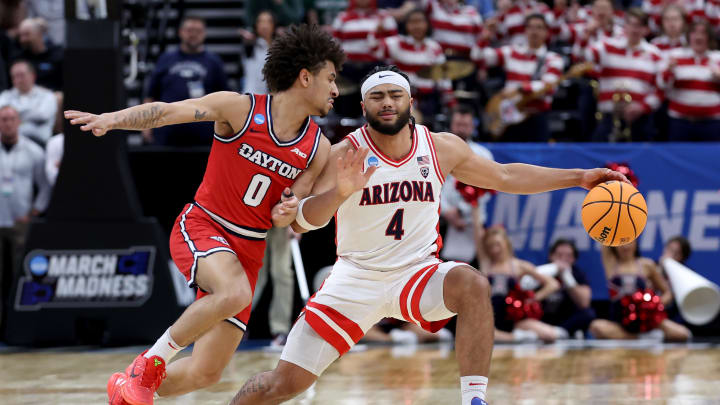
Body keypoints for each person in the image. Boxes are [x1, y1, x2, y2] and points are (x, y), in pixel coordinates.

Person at [226, 65, 629, 405]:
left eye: (396, 95)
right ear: (363, 105)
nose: (387, 103)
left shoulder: (440, 147)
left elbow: (506, 176)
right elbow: (301, 222)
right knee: (283, 385)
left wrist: (579, 177)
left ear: (410, 102)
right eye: (378, 96)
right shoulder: (341, 153)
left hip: (416, 274)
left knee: (471, 284)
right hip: (356, 278)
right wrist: (340, 193)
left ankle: (475, 399)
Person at [65, 24, 345, 405]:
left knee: (206, 372)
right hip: (204, 225)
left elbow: (286, 217)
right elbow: (166, 113)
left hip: (250, 247)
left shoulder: (317, 148)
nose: (335, 90)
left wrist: (288, 209)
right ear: (305, 76)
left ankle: (127, 391)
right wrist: (113, 119)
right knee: (234, 292)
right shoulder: (239, 108)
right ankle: (145, 366)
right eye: (331, 78)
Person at [473, 14, 564, 142]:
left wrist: (519, 89)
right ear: (525, 31)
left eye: (539, 28)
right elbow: (478, 57)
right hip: (511, 118)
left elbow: (549, 87)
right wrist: (485, 37)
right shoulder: (512, 52)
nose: (534, 31)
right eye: (531, 27)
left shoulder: (553, 58)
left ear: (546, 32)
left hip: (536, 118)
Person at [0, 105, 50, 325]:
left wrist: (34, 211)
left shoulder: (33, 151)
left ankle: (18, 325)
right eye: (3, 119)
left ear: (19, 122)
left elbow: (45, 186)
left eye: (11, 119)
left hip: (21, 222)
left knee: (20, 275)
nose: (7, 123)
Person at [143, 17, 229, 146]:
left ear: (204, 34)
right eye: (189, 30)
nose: (193, 34)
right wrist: (145, 126)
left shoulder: (214, 62)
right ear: (180, 32)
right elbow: (151, 95)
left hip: (204, 134)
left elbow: (225, 99)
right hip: (168, 132)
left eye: (198, 31)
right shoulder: (166, 59)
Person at [589, 241, 692, 341]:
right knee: (596, 327)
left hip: (646, 320)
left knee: (683, 334)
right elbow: (604, 240)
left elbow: (668, 292)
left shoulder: (646, 265)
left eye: (628, 242)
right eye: (621, 244)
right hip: (620, 323)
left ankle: (639, 336)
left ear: (635, 243)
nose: (625, 247)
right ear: (615, 246)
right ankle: (643, 338)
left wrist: (654, 305)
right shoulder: (611, 264)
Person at [586, 9, 662, 142]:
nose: (634, 29)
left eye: (638, 25)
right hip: (609, 118)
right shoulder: (607, 46)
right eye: (630, 24)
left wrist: (643, 107)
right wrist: (589, 33)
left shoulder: (655, 54)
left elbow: (660, 90)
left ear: (645, 29)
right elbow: (584, 57)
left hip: (640, 120)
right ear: (624, 26)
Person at [479, 226, 566, 342]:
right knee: (484, 335)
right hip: (491, 317)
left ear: (506, 242)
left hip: (514, 318)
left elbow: (552, 284)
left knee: (549, 335)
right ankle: (518, 337)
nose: (495, 249)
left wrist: (534, 298)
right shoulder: (486, 265)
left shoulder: (518, 265)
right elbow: (477, 234)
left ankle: (551, 331)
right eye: (490, 246)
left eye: (497, 244)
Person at [440, 105, 493, 266]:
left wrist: (463, 210)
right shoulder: (438, 151)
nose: (461, 128)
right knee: (441, 268)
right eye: (458, 124)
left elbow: (489, 188)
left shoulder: (482, 154)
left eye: (466, 125)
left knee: (476, 269)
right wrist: (446, 211)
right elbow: (430, 184)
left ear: (472, 127)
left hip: (474, 220)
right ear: (451, 125)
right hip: (441, 219)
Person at [658, 20, 720, 141]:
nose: (698, 37)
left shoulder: (718, 58)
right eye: (694, 33)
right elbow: (661, 84)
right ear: (688, 36)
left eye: (703, 33)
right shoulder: (675, 55)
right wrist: (668, 71)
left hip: (712, 123)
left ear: (709, 37)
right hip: (680, 123)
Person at [522, 239, 596, 338]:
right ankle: (554, 333)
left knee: (588, 314)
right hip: (543, 317)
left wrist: (567, 277)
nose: (563, 259)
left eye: (568, 256)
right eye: (559, 255)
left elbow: (584, 303)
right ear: (551, 256)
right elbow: (526, 291)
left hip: (565, 319)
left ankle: (561, 333)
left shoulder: (578, 274)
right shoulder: (541, 271)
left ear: (574, 259)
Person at [251, 226, 297, 346]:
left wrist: (296, 224)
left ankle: (280, 329)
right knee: (254, 273)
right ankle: (237, 321)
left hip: (284, 219)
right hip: (258, 217)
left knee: (282, 272)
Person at [0, 60, 57, 145]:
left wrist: (13, 114)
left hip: (39, 143)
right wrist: (31, 114)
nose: (18, 80)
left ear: (33, 76)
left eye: (21, 75)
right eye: (14, 76)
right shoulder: (5, 95)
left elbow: (42, 115)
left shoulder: (47, 96)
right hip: (9, 143)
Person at [13, 18, 63, 91]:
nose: (22, 39)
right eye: (20, 36)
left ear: (39, 34)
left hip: (53, 97)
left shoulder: (57, 55)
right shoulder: (18, 58)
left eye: (27, 35)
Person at [239, 11, 276, 94]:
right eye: (261, 21)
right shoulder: (251, 45)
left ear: (274, 25)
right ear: (256, 25)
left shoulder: (278, 48)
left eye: (268, 21)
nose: (264, 26)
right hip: (250, 96)